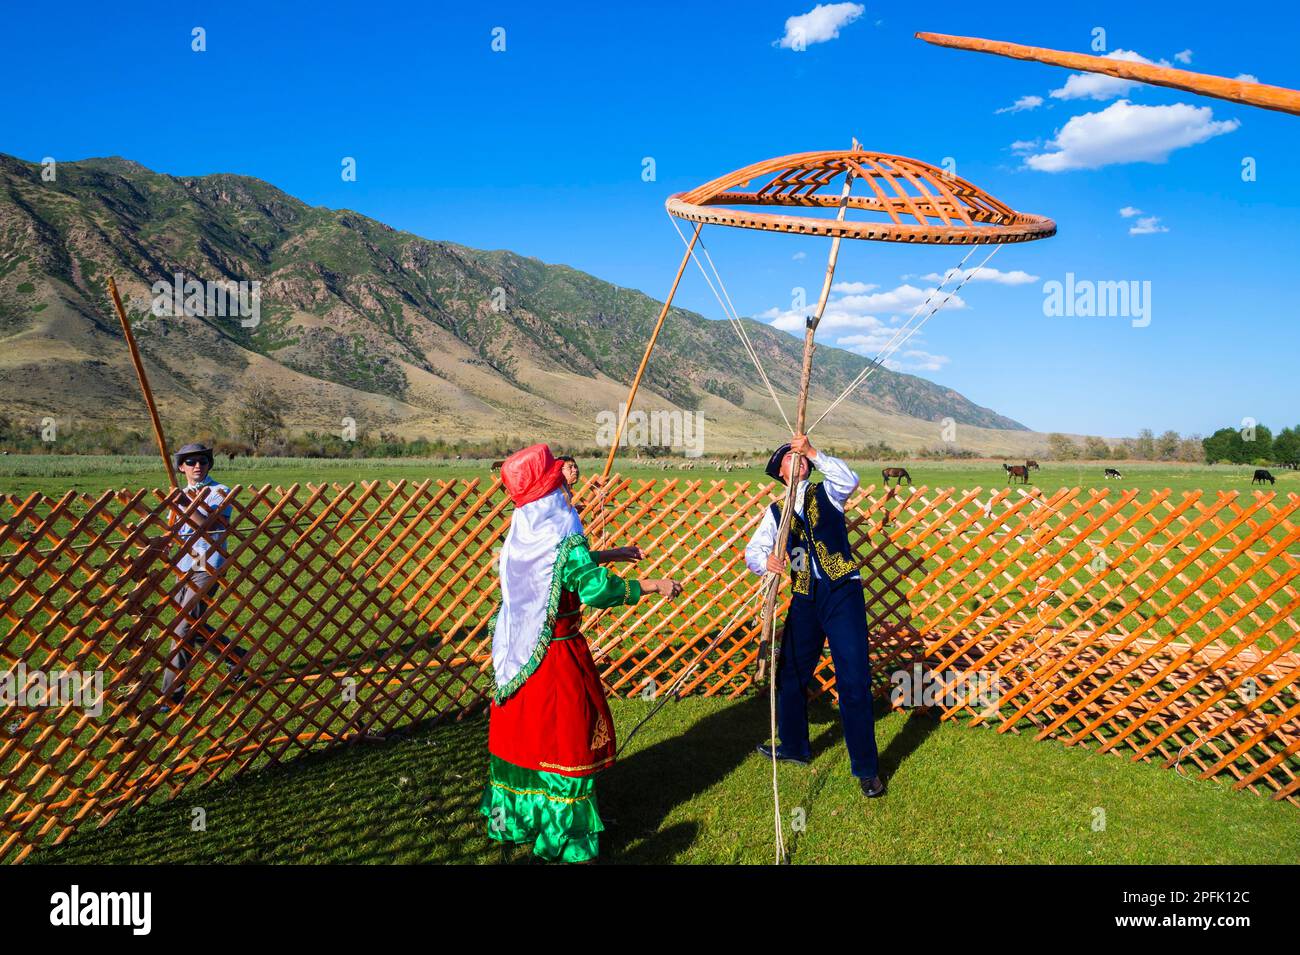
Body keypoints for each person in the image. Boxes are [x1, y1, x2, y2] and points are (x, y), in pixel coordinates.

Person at [480, 443, 682, 862]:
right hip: (556, 658)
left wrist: (611, 553)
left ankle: (514, 823)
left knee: (522, 742)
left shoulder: (523, 528)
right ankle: (565, 840)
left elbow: (559, 566)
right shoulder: (560, 531)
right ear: (551, 484)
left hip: (517, 653)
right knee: (564, 743)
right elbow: (594, 588)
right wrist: (651, 584)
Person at [744, 433, 885, 798]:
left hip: (841, 593)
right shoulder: (775, 511)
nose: (800, 460)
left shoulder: (827, 492)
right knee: (790, 672)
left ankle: (867, 769)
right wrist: (767, 562)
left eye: (801, 456)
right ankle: (793, 746)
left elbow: (849, 479)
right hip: (804, 596)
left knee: (853, 680)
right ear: (780, 471)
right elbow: (753, 551)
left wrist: (813, 452)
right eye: (792, 458)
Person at [161, 442, 249, 706]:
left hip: (208, 562)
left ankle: (172, 694)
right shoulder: (179, 493)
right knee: (193, 626)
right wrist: (166, 542)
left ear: (209, 465)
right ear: (181, 467)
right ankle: (235, 656)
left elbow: (211, 528)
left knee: (182, 627)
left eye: (202, 461)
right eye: (190, 462)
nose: (197, 466)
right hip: (185, 565)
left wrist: (186, 505)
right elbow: (174, 530)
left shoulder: (219, 492)